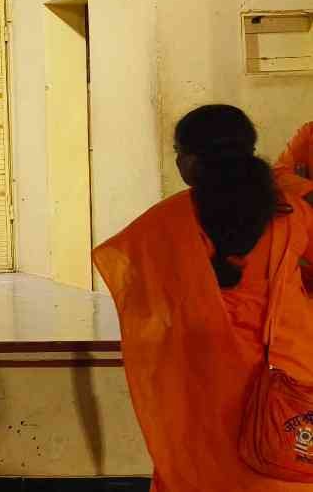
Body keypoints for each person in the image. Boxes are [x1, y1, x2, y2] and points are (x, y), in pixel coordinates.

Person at [92, 105, 313, 492]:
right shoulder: (291, 212)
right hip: (289, 374)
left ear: (193, 160)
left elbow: (131, 280)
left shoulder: (167, 221)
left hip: (204, 384)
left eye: (178, 151)